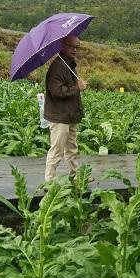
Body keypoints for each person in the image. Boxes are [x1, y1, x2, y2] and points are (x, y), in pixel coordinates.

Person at [44, 35, 88, 182]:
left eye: (77, 47)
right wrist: (77, 87)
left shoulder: (69, 64)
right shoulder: (57, 67)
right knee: (56, 150)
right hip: (60, 116)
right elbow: (57, 91)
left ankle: (76, 176)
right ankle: (49, 181)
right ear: (63, 46)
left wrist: (77, 86)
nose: (75, 50)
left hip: (69, 115)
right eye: (71, 46)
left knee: (71, 148)